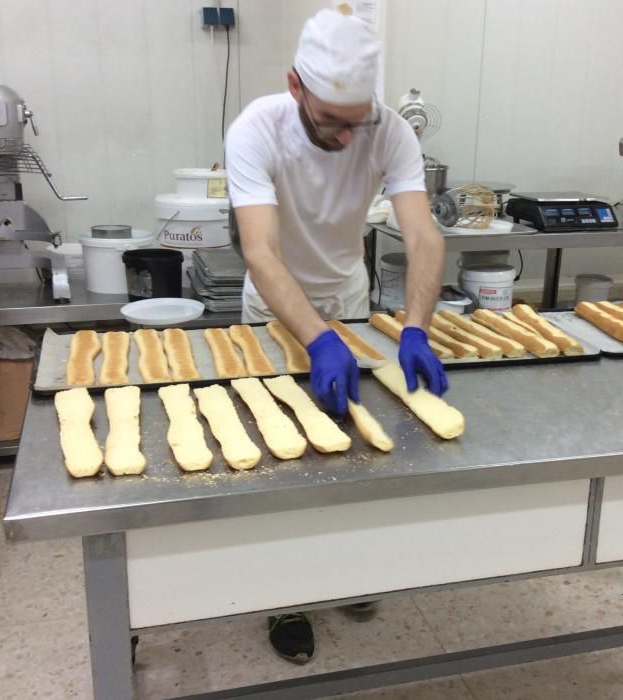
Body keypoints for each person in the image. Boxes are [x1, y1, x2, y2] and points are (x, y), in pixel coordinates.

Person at [225, 9, 448, 663]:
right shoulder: (254, 130)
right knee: (281, 453)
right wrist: (315, 338)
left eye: (357, 122)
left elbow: (423, 236)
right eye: (332, 123)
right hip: (274, 309)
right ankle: (285, 597)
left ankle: (346, 570)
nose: (349, 139)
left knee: (351, 449)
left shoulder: (388, 131)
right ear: (295, 87)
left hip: (348, 301)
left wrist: (415, 327)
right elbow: (261, 252)